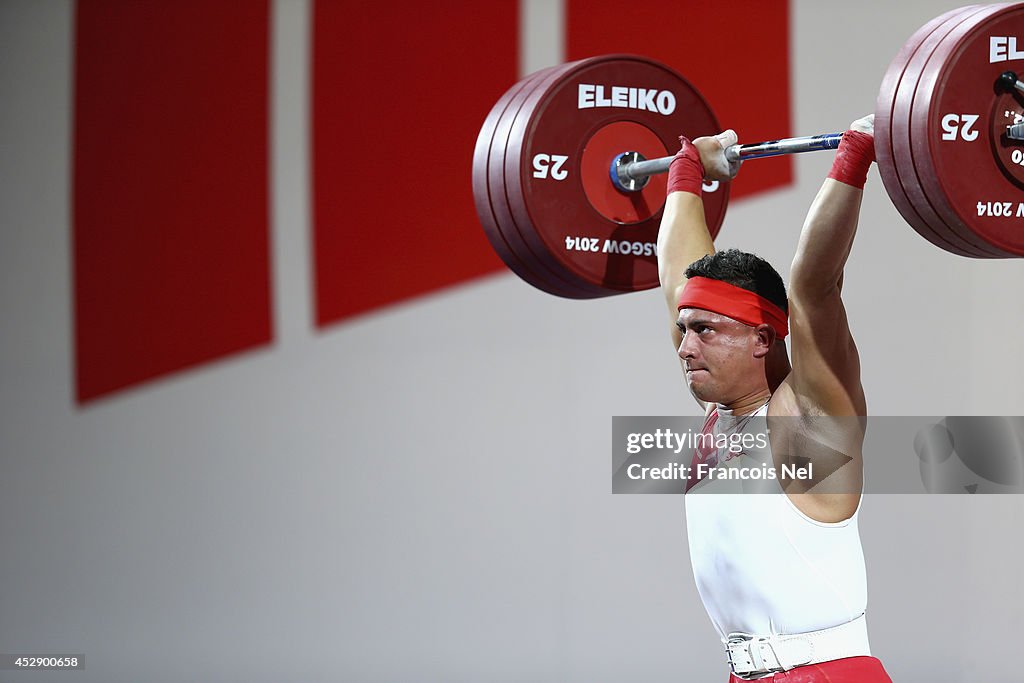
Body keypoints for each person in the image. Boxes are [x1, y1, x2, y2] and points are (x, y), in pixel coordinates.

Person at [657, 116, 893, 682]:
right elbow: (675, 275)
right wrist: (687, 172)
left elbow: (815, 284)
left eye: (705, 331)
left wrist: (856, 152)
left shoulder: (807, 420)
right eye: (685, 329)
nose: (685, 346)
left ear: (762, 337)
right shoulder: (721, 417)